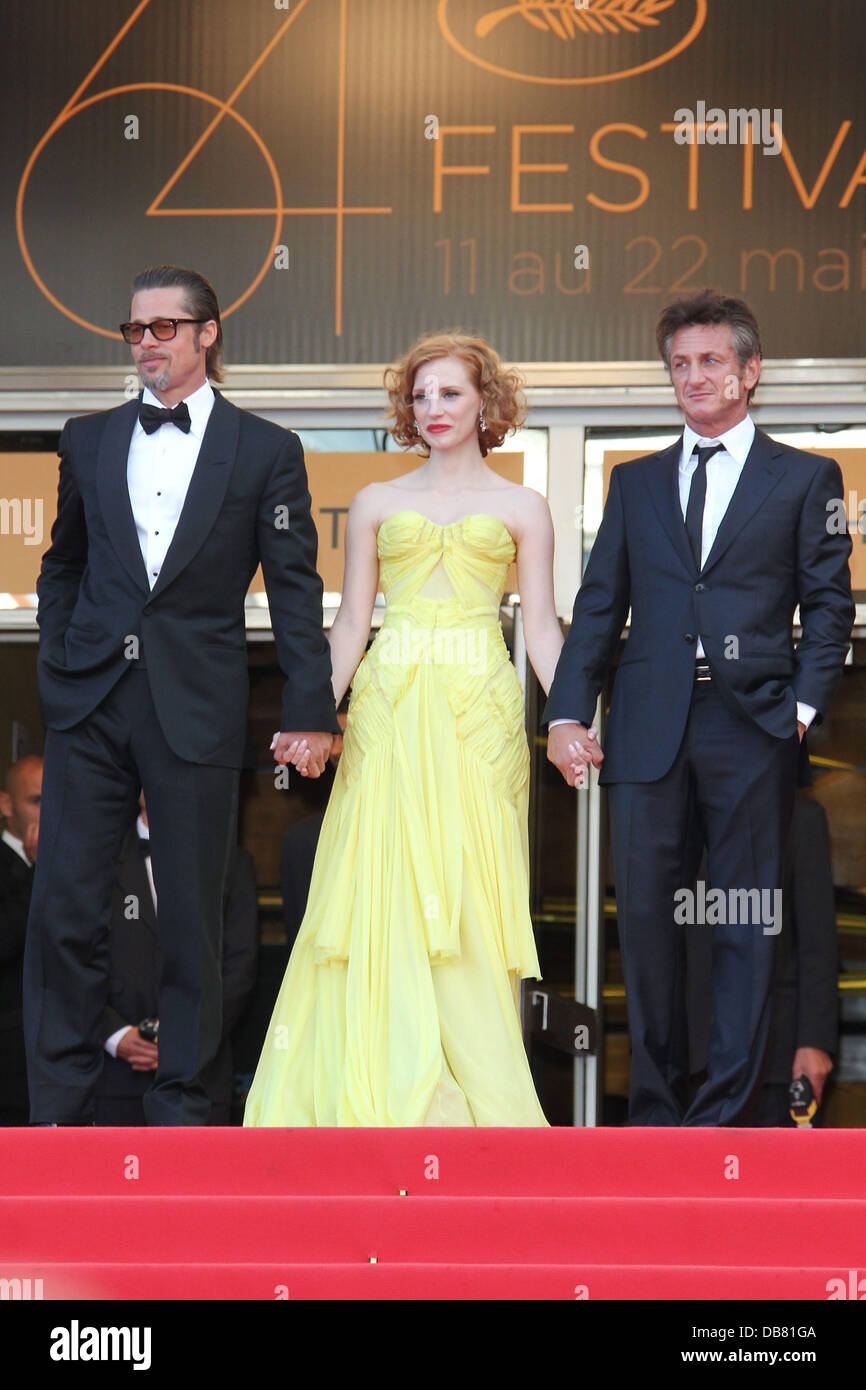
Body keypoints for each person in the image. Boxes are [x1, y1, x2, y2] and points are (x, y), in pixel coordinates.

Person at [24, 264, 339, 1126]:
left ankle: (185, 1103)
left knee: (195, 912)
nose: (148, 344)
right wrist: (59, 659)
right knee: (65, 904)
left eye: (165, 327)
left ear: (208, 335)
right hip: (91, 700)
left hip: (195, 702)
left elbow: (295, 590)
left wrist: (310, 707)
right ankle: (58, 1099)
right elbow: (65, 566)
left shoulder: (267, 449)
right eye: (135, 330)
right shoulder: (85, 439)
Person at [545, 290, 854, 1126]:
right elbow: (600, 606)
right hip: (646, 728)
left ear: (750, 372)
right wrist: (568, 713)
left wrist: (798, 711)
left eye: (711, 360)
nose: (694, 376)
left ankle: (722, 1115)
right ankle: (653, 1110)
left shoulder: (807, 477)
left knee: (744, 925)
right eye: (679, 363)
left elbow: (832, 608)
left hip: (751, 726)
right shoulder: (636, 482)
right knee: (645, 925)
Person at [245, 332, 567, 1126]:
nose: (433, 410)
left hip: (479, 711)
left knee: (467, 892)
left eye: (451, 394)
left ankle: (475, 1094)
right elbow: (352, 620)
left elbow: (545, 631)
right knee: (381, 884)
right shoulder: (377, 502)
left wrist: (571, 717)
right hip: (391, 702)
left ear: (485, 403)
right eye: (421, 397)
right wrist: (311, 715)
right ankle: (387, 1092)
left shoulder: (525, 506)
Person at [94, 796, 258, 1125]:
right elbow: (74, 955)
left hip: (201, 1081)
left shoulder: (232, 861)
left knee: (199, 1176)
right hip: (113, 1077)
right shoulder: (97, 858)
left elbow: (240, 965)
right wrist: (112, 1033)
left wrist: (189, 1038)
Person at [686, 794, 838, 1126]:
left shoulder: (800, 817)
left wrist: (814, 1040)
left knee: (777, 1178)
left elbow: (817, 942)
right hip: (691, 1062)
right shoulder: (678, 815)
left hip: (776, 1061)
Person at [0, 755, 42, 1125]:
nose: (47, 811)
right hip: (8, 1059)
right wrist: (36, 874)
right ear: (6, 805)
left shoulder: (79, 861)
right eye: (36, 800)